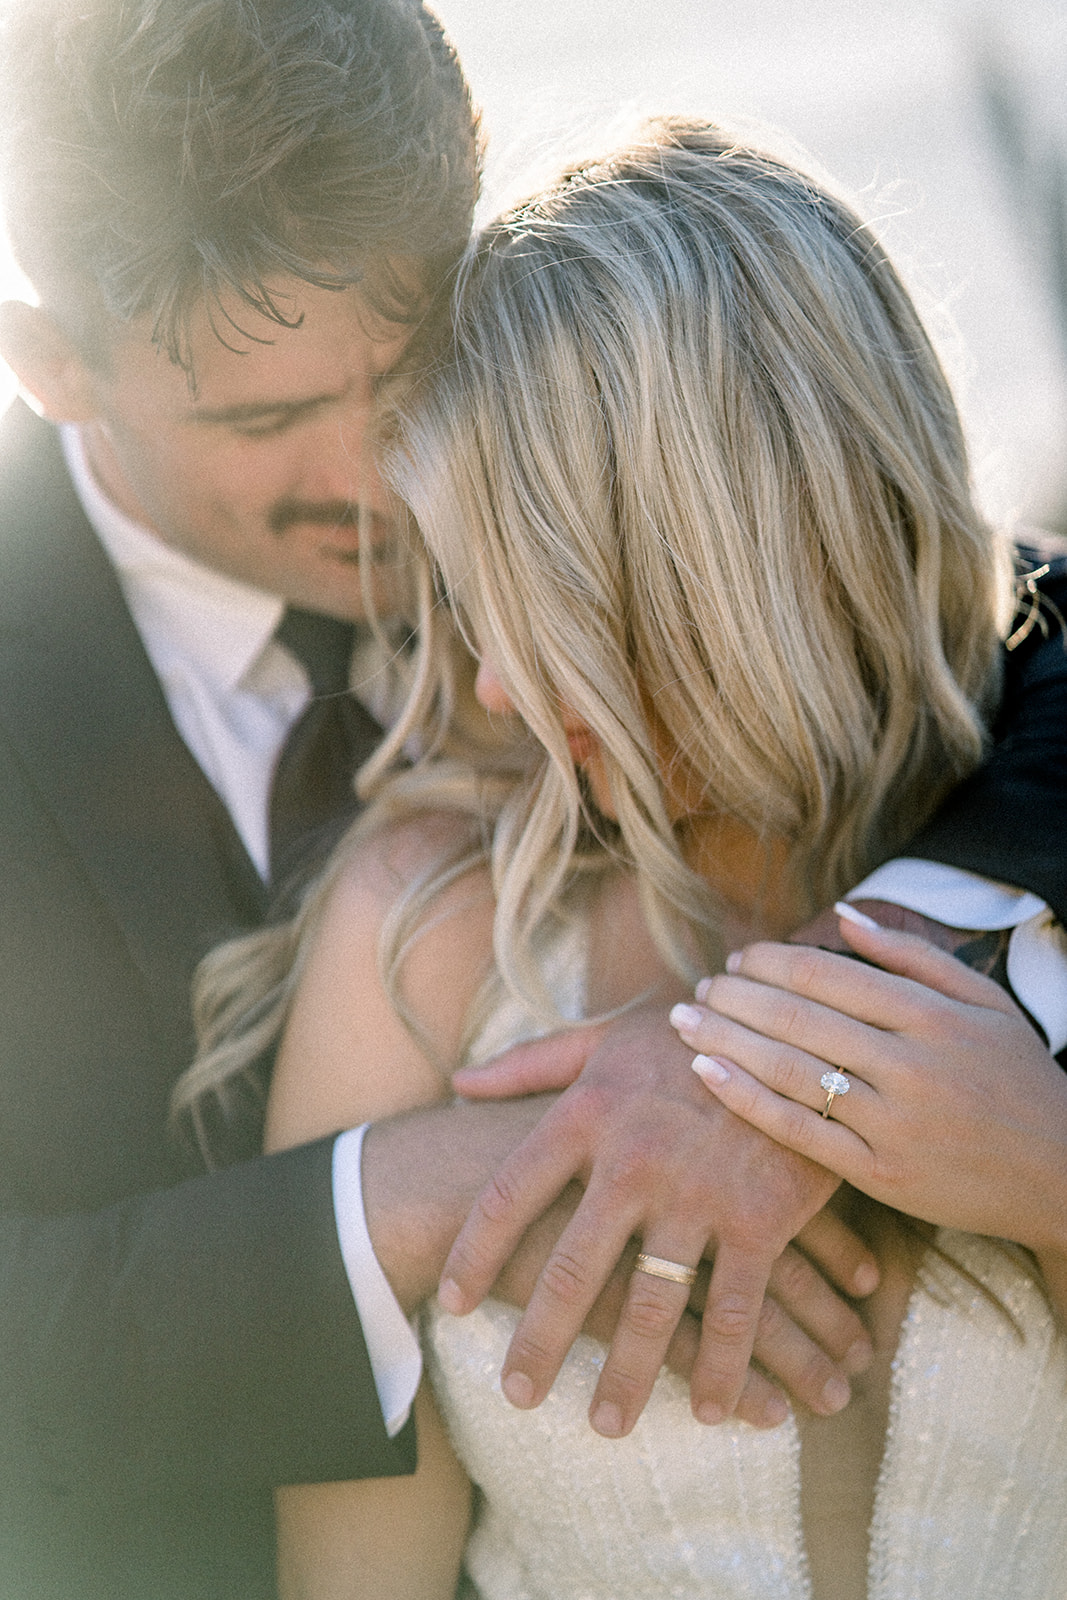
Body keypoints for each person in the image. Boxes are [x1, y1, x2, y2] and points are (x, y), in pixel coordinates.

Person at [0, 0, 1062, 1591]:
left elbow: (971, 625)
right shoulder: (409, 914)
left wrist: (786, 1034)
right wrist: (414, 1188)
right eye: (270, 418)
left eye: (408, 369)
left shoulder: (583, 464)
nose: (374, 476)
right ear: (53, 366)